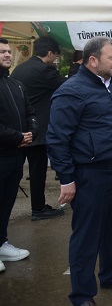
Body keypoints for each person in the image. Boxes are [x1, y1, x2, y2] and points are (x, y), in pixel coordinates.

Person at [47, 37, 112, 305]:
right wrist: (67, 179)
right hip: (89, 174)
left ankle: (111, 274)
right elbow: (57, 139)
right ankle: (82, 295)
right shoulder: (71, 91)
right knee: (87, 236)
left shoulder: (109, 86)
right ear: (93, 60)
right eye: (111, 57)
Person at [10, 36, 66, 221]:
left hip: (19, 128)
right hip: (38, 130)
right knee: (37, 171)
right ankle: (39, 208)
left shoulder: (20, 69)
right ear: (49, 53)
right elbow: (67, 85)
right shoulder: (45, 70)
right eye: (55, 56)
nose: (55, 60)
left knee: (14, 172)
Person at [0, 37, 36, 273]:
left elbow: (30, 112)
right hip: (4, 151)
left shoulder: (16, 85)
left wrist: (31, 132)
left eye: (8, 51)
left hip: (16, 155)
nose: (7, 54)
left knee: (7, 202)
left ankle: (1, 243)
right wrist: (16, 136)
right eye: (1, 51)